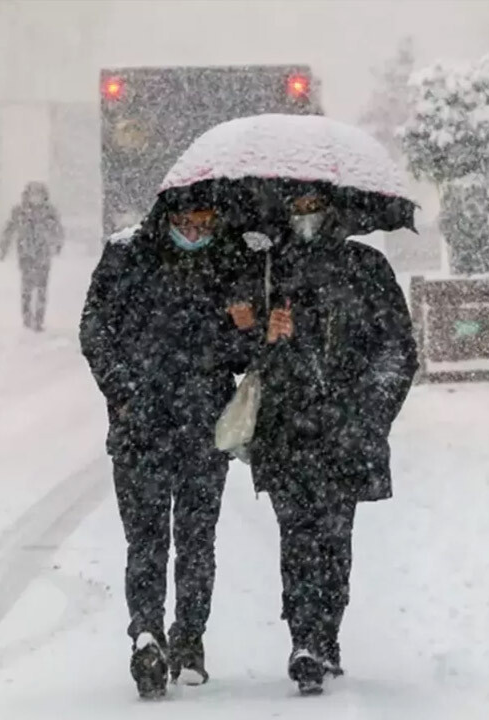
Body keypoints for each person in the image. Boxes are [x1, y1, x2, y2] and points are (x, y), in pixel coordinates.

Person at [233, 185, 418, 695]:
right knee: (297, 536)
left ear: (333, 210)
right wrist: (263, 335)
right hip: (285, 429)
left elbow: (397, 348)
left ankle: (327, 632)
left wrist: (370, 412)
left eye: (315, 207)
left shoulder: (366, 267)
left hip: (345, 429)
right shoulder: (267, 270)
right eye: (297, 208)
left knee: (335, 539)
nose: (306, 217)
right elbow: (239, 350)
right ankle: (304, 640)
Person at [79, 196, 252, 699]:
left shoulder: (230, 260)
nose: (195, 233)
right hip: (142, 428)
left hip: (203, 427)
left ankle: (188, 638)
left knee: (197, 541)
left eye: (205, 224)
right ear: (166, 219)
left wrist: (242, 327)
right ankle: (148, 635)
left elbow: (242, 355)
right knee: (148, 540)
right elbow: (95, 329)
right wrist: (125, 392)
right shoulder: (127, 256)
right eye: (185, 223)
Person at [0, 181, 63, 331]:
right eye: (33, 194)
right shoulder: (19, 211)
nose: (36, 198)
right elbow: (9, 229)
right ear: (27, 196)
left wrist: (57, 244)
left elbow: (57, 230)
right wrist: (4, 247)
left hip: (43, 255)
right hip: (26, 254)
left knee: (41, 288)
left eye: (39, 195)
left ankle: (39, 319)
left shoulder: (49, 212)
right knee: (27, 288)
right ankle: (27, 317)